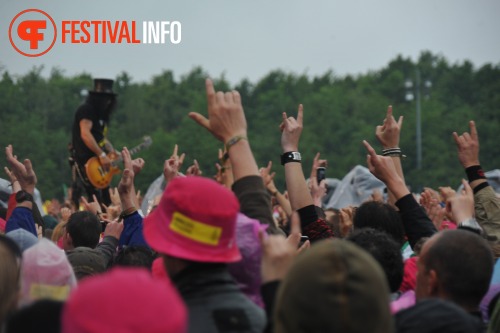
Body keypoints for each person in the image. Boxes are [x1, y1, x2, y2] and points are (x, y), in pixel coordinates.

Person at [70, 78, 117, 207]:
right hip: (86, 162)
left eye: (109, 99)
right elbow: (85, 134)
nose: (107, 102)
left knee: (105, 200)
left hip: (98, 164)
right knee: (91, 198)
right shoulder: (87, 110)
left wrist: (111, 151)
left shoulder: (101, 117)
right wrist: (101, 155)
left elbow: (100, 138)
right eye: (104, 98)